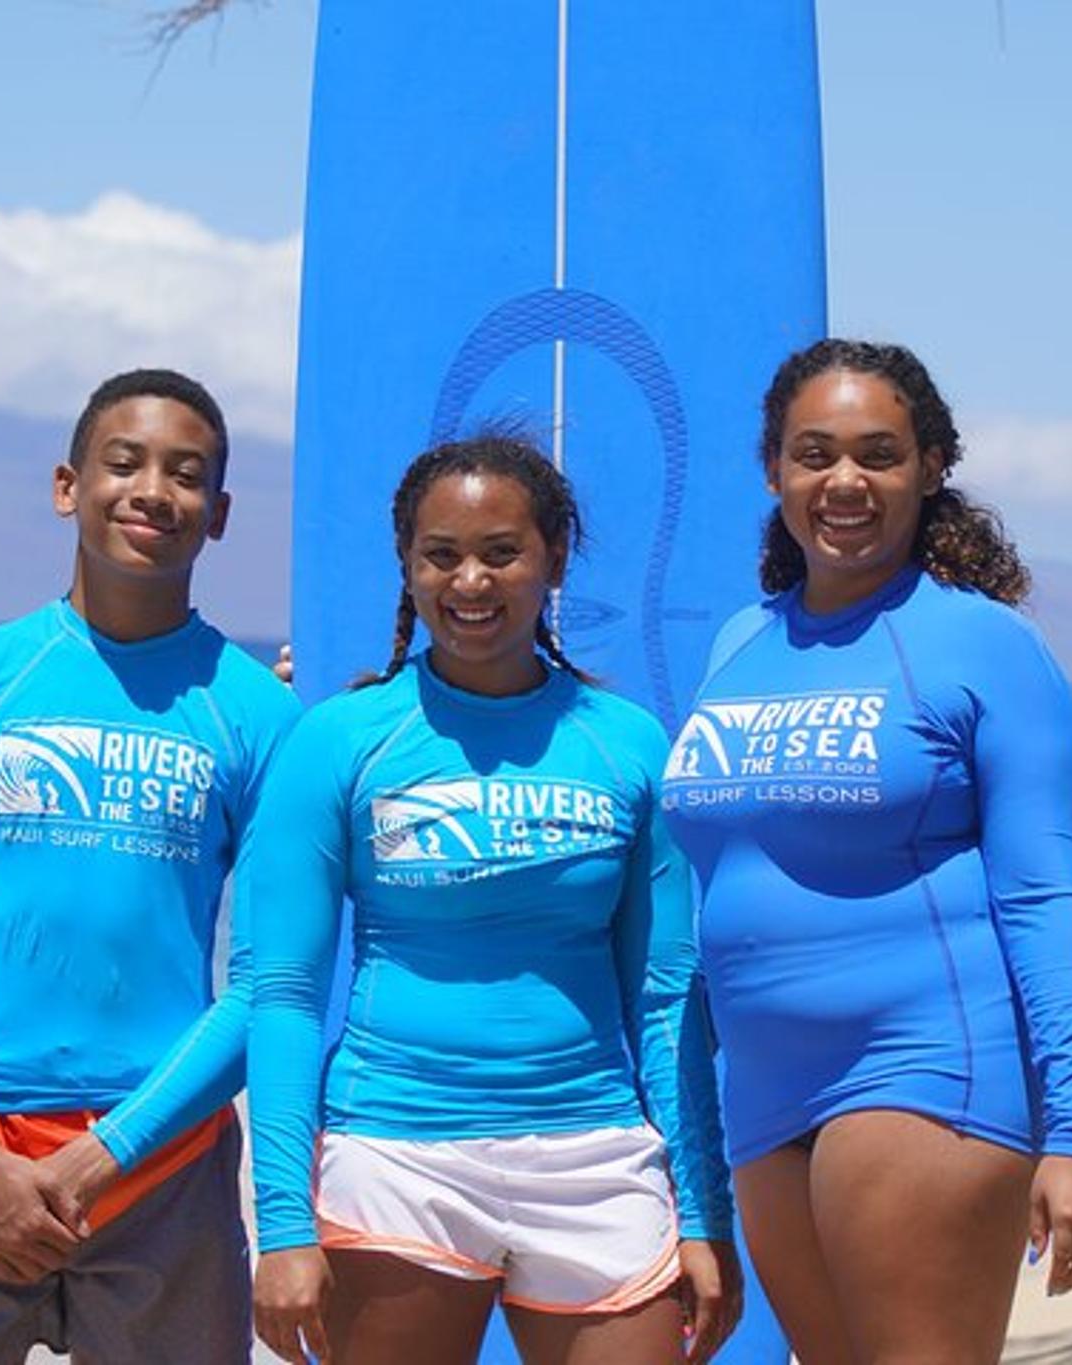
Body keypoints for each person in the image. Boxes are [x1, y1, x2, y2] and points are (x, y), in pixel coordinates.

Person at [661, 339, 1072, 1364]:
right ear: (773, 469)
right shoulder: (737, 643)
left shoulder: (984, 646)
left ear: (929, 468)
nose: (843, 481)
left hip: (924, 1067)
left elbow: (1040, 897)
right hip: (765, 1091)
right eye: (813, 454)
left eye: (877, 454)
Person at [247, 433, 740, 1365]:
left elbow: (670, 997)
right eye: (442, 555)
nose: (470, 580)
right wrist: (281, 1225)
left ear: (553, 557)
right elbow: (283, 994)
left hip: (597, 1160)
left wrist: (704, 1211)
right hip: (394, 1158)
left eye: (501, 552)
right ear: (407, 563)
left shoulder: (628, 745)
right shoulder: (339, 742)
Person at [0, 368, 299, 1364]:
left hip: (164, 1160)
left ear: (219, 513)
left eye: (184, 474)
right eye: (124, 462)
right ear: (68, 485)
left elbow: (270, 980)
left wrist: (107, 1152)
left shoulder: (257, 715)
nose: (151, 489)